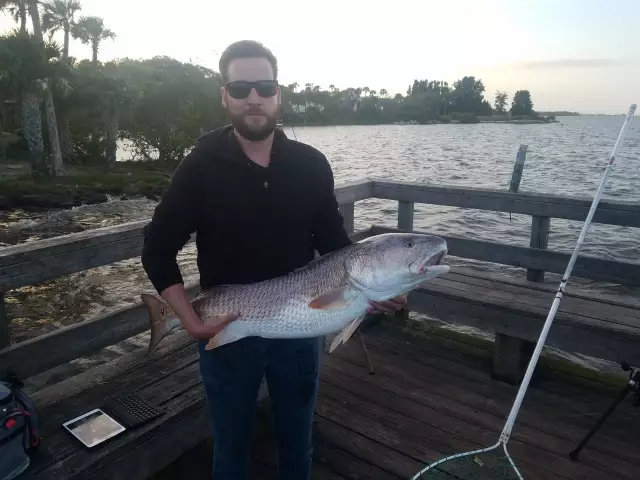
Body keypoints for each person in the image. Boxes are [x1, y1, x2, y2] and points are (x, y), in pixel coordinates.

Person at [140, 39, 407, 480]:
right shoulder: (200, 166)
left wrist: (375, 289)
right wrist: (188, 319)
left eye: (264, 87)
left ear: (279, 93)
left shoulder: (311, 164)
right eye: (241, 88)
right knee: (231, 446)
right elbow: (157, 246)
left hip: (302, 331)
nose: (254, 98)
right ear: (224, 95)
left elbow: (336, 246)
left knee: (297, 440)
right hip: (228, 330)